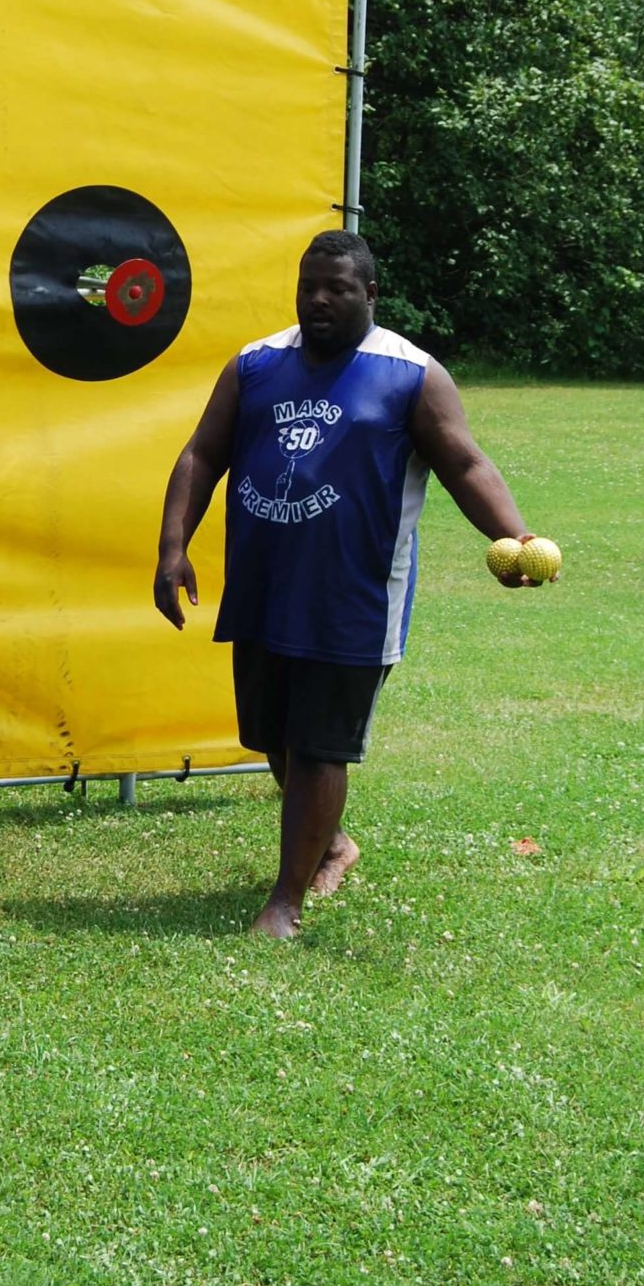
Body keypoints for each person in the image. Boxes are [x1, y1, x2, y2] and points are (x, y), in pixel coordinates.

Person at [153, 229, 537, 939]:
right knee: (272, 736)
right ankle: (332, 842)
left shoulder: (410, 374)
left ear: (370, 294)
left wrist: (512, 536)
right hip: (267, 584)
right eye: (308, 287)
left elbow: (465, 465)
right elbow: (203, 453)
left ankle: (284, 902)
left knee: (320, 744)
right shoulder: (256, 364)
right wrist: (172, 546)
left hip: (355, 598)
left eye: (335, 288)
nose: (319, 300)